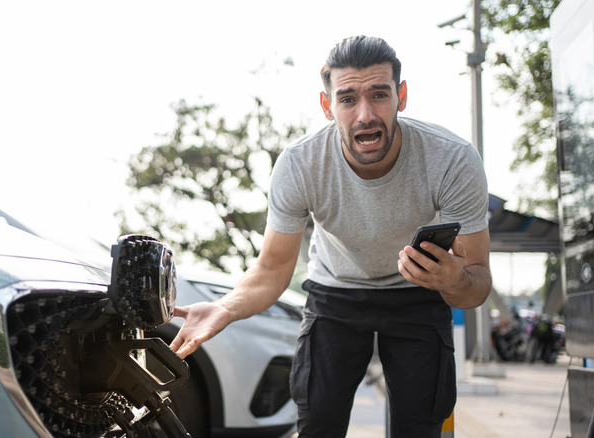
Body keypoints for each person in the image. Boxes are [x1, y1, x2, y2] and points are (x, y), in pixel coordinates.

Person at [170, 35, 491, 438]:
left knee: (422, 424)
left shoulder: (453, 159)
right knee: (317, 422)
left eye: (379, 94)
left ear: (401, 96)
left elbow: (478, 284)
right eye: (348, 99)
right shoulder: (300, 164)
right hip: (335, 293)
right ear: (327, 106)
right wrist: (226, 307)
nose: (365, 115)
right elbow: (272, 268)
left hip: (418, 292)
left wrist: (454, 280)